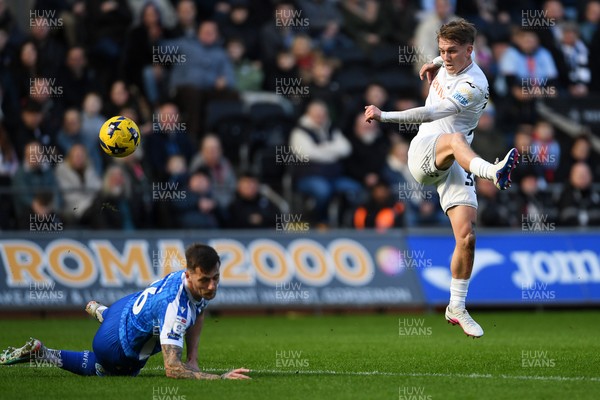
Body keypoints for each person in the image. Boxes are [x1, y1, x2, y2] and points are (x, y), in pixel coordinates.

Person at [364, 19, 519, 338]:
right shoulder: (447, 60)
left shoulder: (473, 86)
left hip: (456, 159)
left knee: (467, 237)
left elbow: (431, 113)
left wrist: (385, 116)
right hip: (424, 152)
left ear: (470, 51)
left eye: (451, 52)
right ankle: (493, 173)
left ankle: (456, 306)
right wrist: (431, 62)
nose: (445, 57)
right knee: (455, 140)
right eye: (442, 51)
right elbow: (440, 68)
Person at [0, 243, 251, 380]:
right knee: (111, 372)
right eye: (205, 280)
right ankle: (44, 353)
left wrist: (193, 359)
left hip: (124, 308)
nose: (212, 286)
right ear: (189, 275)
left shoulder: (189, 281)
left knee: (142, 319)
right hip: (115, 347)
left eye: (216, 278)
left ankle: (100, 310)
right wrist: (219, 378)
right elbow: (172, 370)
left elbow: (200, 310)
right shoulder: (176, 310)